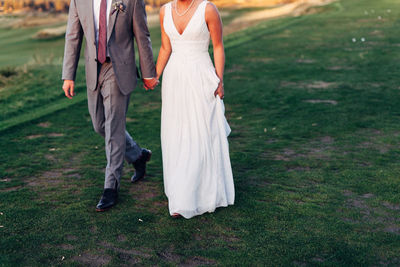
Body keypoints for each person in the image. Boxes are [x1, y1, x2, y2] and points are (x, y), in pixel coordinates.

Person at [61, 0, 159, 211]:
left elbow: (142, 35)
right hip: (93, 69)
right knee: (99, 124)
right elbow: (73, 36)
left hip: (118, 68)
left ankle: (110, 187)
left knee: (114, 128)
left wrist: (148, 72)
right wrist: (68, 76)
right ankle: (138, 155)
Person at [156, 0, 235, 219]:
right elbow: (165, 47)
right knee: (177, 135)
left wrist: (219, 80)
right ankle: (181, 195)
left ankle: (201, 194)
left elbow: (218, 46)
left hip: (201, 76)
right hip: (174, 79)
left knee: (201, 133)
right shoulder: (164, 11)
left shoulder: (207, 9)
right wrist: (155, 75)